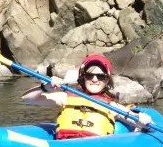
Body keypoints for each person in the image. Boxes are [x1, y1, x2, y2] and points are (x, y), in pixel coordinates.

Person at [21, 54, 152, 140]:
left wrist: (144, 120)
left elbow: (142, 124)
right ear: (82, 78)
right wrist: (46, 87)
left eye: (100, 76)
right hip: (63, 146)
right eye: (89, 75)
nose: (95, 79)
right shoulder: (65, 97)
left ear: (107, 81)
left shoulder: (111, 106)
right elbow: (28, 99)